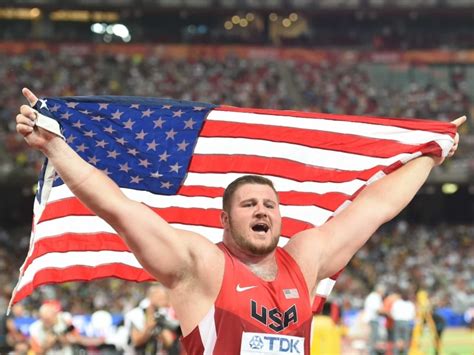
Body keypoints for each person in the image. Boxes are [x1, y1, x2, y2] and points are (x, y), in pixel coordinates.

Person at [15, 88, 464, 355]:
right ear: (225, 218)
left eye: (269, 204)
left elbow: (376, 206)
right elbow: (116, 205)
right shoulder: (200, 266)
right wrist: (55, 148)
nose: (262, 211)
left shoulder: (304, 260)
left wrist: (432, 151)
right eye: (249, 205)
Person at [124, 284, 181, 355]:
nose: (165, 301)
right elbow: (136, 341)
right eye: (161, 298)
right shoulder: (135, 314)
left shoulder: (160, 315)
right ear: (152, 297)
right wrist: (149, 328)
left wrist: (159, 328)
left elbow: (169, 342)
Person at [363, 284, 386, 355]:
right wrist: (387, 312)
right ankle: (371, 353)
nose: (383, 294)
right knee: (374, 338)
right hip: (373, 319)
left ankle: (371, 352)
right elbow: (378, 310)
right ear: (380, 291)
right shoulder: (376, 297)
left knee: (372, 338)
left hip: (370, 319)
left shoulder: (371, 296)